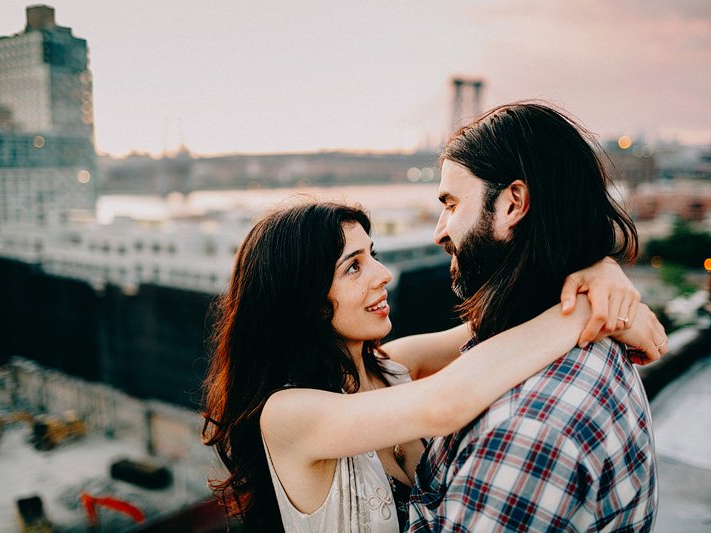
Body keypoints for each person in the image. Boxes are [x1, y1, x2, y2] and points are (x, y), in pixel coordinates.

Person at [201, 201, 665, 532]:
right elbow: (447, 404)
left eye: (373, 255)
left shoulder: (388, 366)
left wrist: (598, 274)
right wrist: (590, 313)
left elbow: (510, 323)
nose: (383, 274)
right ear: (301, 300)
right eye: (354, 267)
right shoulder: (288, 414)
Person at [406, 102, 662, 532]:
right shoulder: (569, 338)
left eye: (451, 204)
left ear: (513, 205)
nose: (439, 231)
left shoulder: (524, 434)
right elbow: (393, 363)